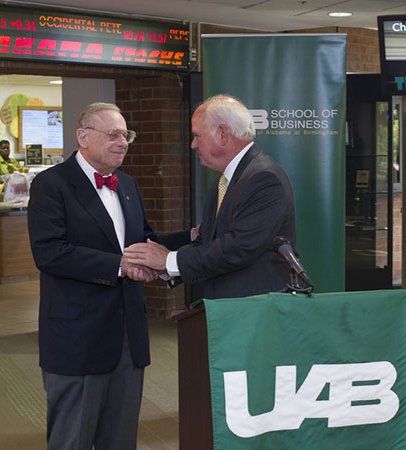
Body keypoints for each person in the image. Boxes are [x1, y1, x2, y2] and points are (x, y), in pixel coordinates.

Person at [27, 102, 157, 450]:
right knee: (72, 440)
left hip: (128, 340)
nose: (123, 142)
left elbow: (143, 241)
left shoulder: (127, 184)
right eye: (113, 134)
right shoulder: (50, 184)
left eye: (126, 135)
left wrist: (189, 242)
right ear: (83, 136)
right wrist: (118, 266)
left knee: (121, 441)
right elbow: (49, 252)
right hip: (77, 340)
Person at [124, 94, 297, 299]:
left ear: (222, 134)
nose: (193, 145)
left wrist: (169, 260)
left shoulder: (263, 178)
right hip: (231, 308)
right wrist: (163, 265)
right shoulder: (222, 181)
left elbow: (239, 248)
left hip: (256, 310)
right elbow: (207, 242)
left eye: (197, 135)